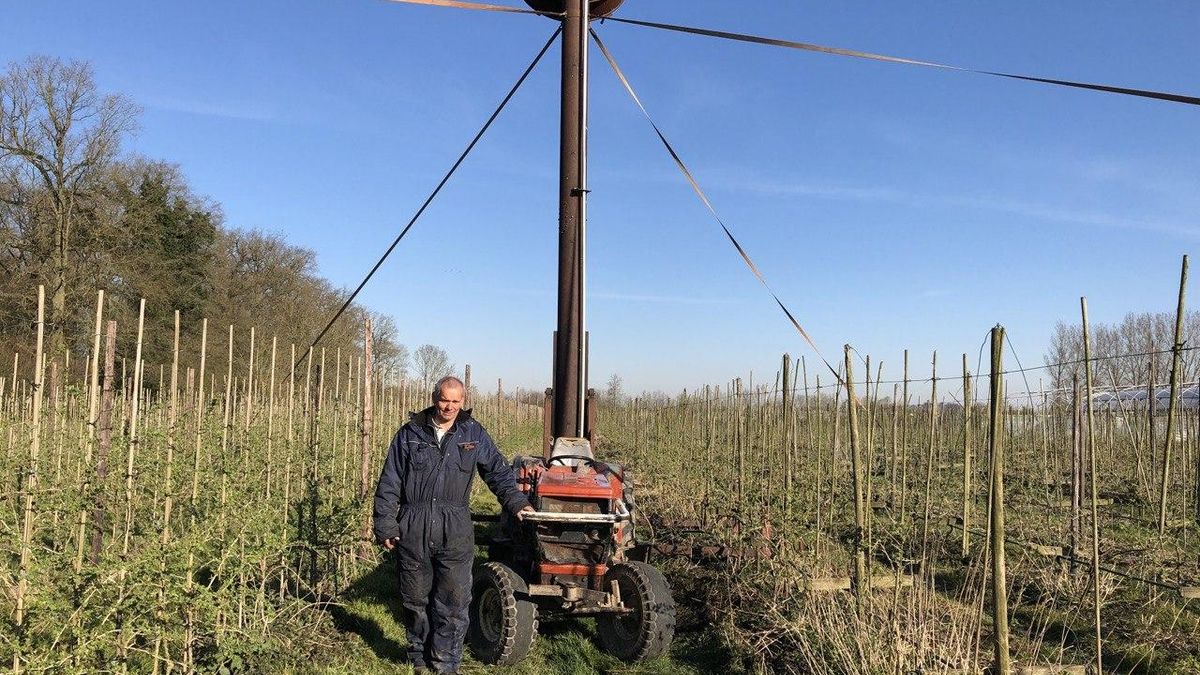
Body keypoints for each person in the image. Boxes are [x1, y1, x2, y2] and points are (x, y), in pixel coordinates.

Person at [373, 375, 533, 675]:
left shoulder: (472, 433)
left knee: (455, 599)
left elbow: (497, 471)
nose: (449, 407)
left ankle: (446, 662)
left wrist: (517, 503)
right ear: (435, 398)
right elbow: (390, 481)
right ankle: (419, 655)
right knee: (415, 598)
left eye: (455, 401)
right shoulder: (410, 433)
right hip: (414, 524)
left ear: (464, 401)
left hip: (455, 527)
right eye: (444, 400)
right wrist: (385, 524)